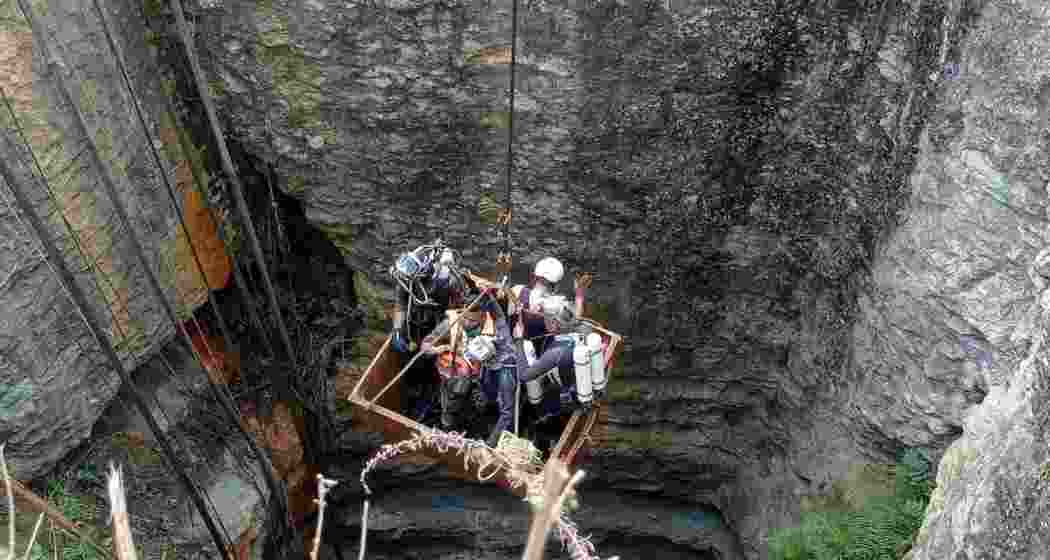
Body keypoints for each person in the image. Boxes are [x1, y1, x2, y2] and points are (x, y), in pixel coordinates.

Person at [420, 290, 519, 447]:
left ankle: (478, 425)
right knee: (453, 401)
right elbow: (425, 345)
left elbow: (500, 318)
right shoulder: (451, 324)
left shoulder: (494, 328)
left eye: (473, 320)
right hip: (455, 377)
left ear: (483, 316)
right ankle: (447, 425)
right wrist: (437, 349)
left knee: (484, 404)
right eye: (465, 318)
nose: (467, 323)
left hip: (482, 377)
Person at [388, 239, 467, 353]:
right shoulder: (406, 280)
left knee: (429, 352)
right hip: (417, 321)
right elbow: (401, 305)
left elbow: (457, 311)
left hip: (441, 321)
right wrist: (397, 330)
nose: (408, 275)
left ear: (424, 269)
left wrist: (437, 337)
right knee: (403, 344)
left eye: (411, 269)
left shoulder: (448, 281)